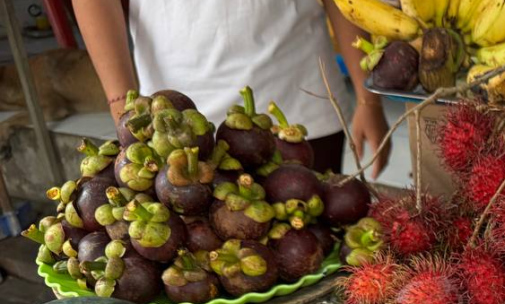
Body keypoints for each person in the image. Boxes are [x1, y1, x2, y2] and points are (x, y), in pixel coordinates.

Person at [75, 0, 389, 177]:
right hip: (173, 124)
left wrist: (368, 97)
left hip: (298, 104)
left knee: (315, 261)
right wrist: (122, 107)